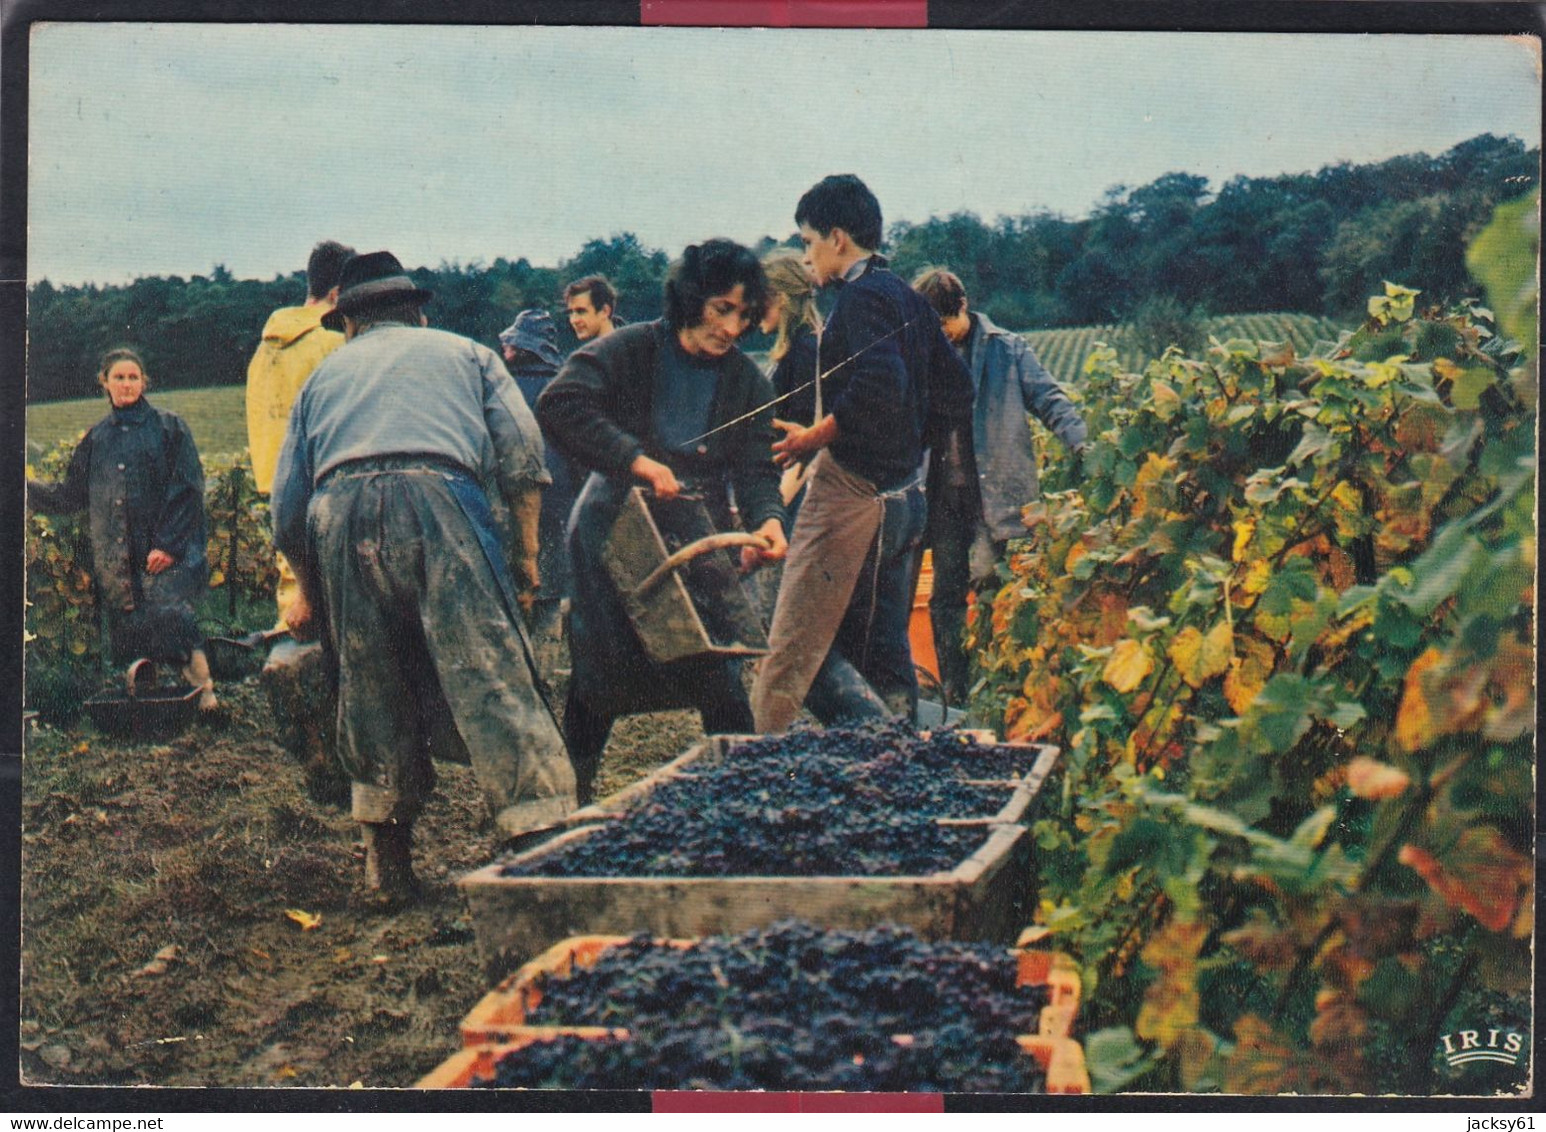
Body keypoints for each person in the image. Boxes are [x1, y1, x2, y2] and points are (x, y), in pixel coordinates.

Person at [271, 251, 574, 908]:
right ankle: (537, 841)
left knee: (369, 683)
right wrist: (525, 561)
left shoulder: (321, 381)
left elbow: (287, 509)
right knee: (490, 669)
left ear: (349, 323)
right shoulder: (469, 355)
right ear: (419, 310)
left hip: (339, 515)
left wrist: (308, 589)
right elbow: (522, 460)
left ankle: (387, 868)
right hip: (442, 498)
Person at [537, 239, 788, 806]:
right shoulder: (630, 350)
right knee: (598, 669)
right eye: (722, 309)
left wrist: (768, 521)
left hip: (690, 527)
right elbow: (560, 403)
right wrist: (637, 459)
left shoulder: (747, 382)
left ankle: (740, 798)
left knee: (716, 665)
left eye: (744, 316)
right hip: (614, 523)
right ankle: (570, 798)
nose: (731, 327)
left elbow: (755, 471)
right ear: (692, 299)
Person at [750, 174, 975, 733]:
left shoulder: (859, 300)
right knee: (884, 647)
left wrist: (815, 437)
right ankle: (900, 755)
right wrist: (908, 446)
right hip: (905, 501)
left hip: (856, 499)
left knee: (797, 641)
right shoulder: (904, 295)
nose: (806, 257)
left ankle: (766, 754)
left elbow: (879, 383)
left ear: (838, 238)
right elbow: (957, 392)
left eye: (807, 243)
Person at [912, 267, 1089, 705]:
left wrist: (1083, 447)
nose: (940, 337)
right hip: (944, 498)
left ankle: (1004, 689)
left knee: (1001, 591)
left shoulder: (1006, 351)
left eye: (944, 326)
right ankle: (957, 695)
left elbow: (1050, 399)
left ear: (964, 308)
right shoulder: (922, 356)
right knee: (947, 596)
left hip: (999, 495)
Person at [28, 348, 217, 710]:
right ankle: (150, 707)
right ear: (104, 383)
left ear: (144, 382)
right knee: (132, 629)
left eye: (133, 377)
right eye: (119, 377)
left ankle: (204, 693)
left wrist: (168, 545)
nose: (127, 384)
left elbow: (188, 488)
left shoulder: (169, 427)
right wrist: (25, 490)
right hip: (117, 555)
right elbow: (71, 495)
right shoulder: (96, 438)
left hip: (164, 552)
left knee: (170, 615)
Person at [245, 239, 355, 627]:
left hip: (280, 486)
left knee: (294, 598)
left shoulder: (266, 347)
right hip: (328, 486)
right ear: (338, 293)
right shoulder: (333, 342)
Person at [746, 252, 823, 622]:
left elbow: (807, 445)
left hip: (793, 500)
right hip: (781, 497)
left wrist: (775, 507)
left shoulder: (806, 351)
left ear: (778, 297)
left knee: (777, 614)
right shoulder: (791, 350)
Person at [498, 308, 577, 653]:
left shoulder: (501, 388)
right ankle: (546, 660)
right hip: (560, 501)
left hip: (513, 501)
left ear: (521, 348)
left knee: (513, 586)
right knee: (550, 587)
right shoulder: (567, 385)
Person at [563, 275, 621, 343]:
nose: (574, 320)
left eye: (581, 312)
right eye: (570, 313)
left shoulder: (631, 350)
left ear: (604, 311)